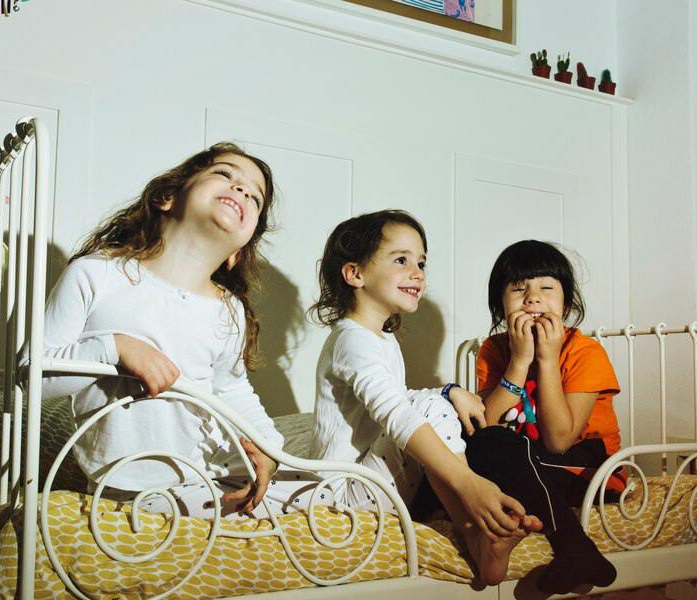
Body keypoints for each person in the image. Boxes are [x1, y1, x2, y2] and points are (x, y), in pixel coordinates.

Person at [39, 142, 285, 517]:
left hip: (209, 476)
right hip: (129, 488)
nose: (241, 190)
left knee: (313, 494)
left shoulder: (228, 311)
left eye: (255, 196)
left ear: (240, 248)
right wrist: (115, 348)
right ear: (167, 196)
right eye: (225, 174)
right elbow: (34, 378)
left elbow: (231, 389)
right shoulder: (97, 274)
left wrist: (268, 445)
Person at [308, 210, 541, 585]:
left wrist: (449, 391)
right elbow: (398, 413)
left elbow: (395, 397)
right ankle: (474, 527)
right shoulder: (352, 339)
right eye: (401, 260)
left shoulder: (381, 338)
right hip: (341, 496)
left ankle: (478, 537)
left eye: (421, 262)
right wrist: (470, 484)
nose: (417, 272)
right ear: (355, 274)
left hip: (368, 484)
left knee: (435, 403)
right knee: (429, 409)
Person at [458, 239, 621, 594]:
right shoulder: (495, 349)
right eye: (519, 289)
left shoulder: (585, 352)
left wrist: (547, 359)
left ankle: (573, 549)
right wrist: (518, 362)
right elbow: (484, 427)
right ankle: (577, 553)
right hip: (525, 462)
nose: (532, 298)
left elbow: (560, 441)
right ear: (500, 304)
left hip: (587, 469)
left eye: (546, 288)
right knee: (473, 445)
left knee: (504, 452)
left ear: (567, 302)